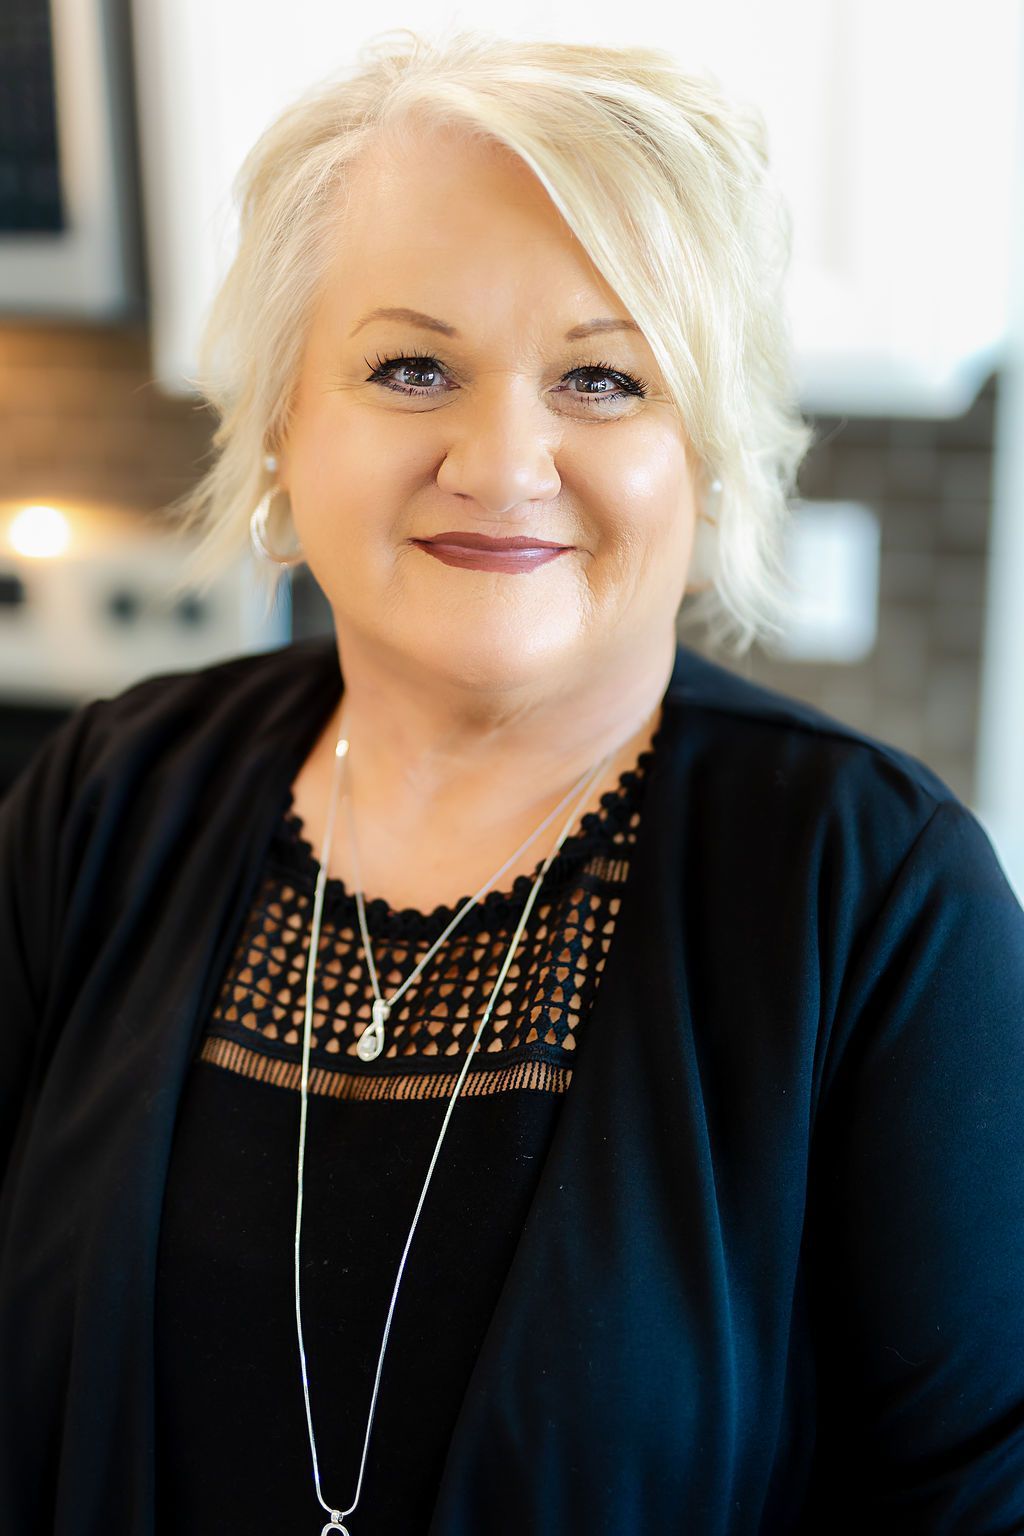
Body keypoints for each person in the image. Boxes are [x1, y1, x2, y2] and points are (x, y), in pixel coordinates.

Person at [2, 26, 1024, 1536]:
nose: (502, 459)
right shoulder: (102, 801)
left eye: (604, 379)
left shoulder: (874, 895)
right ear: (288, 420)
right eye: (412, 366)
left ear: (711, 451)